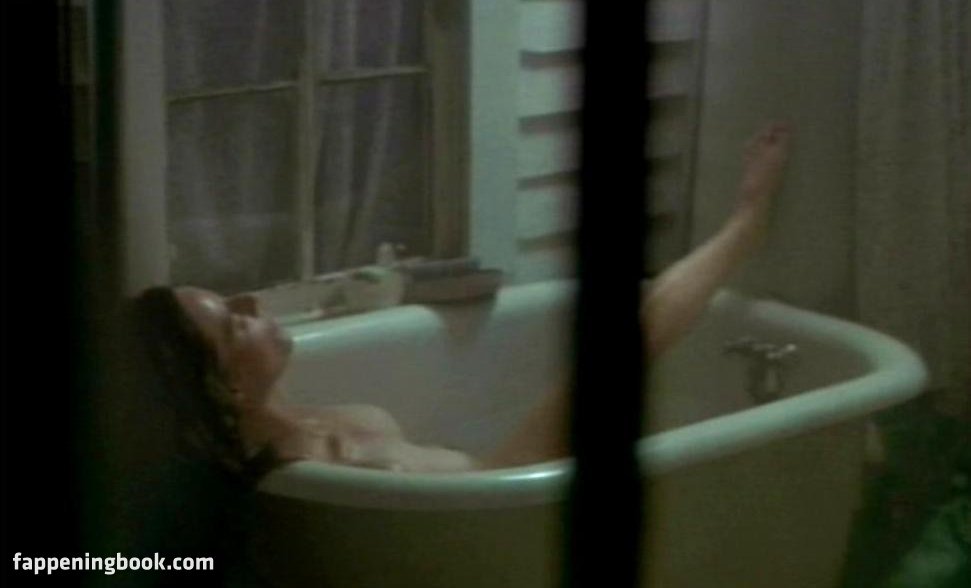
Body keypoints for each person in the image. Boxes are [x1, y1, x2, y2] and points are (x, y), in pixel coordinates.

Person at [133, 122, 792, 480]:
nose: (251, 304)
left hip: (502, 485)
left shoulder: (306, 417)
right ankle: (746, 223)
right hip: (510, 484)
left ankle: (744, 225)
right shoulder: (301, 471)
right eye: (233, 326)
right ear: (227, 390)